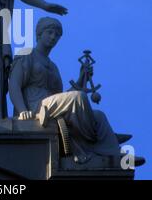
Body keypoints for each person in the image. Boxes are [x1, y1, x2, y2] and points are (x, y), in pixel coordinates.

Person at [8, 17, 122, 163]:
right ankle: (93, 139)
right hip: (35, 106)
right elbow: (14, 85)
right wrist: (22, 110)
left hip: (51, 105)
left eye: (57, 35)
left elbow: (62, 98)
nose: (53, 37)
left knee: (99, 116)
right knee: (78, 97)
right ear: (39, 34)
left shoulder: (53, 66)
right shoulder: (27, 55)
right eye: (49, 32)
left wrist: (82, 77)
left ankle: (114, 154)